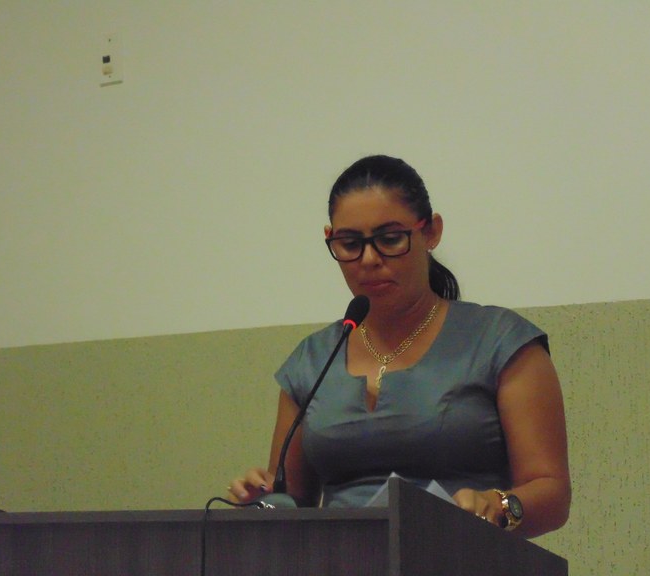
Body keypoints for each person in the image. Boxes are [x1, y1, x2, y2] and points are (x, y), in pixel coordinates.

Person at [229, 155, 571, 537]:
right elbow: (291, 503)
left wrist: (500, 505)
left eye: (390, 239)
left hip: (462, 553)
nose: (369, 259)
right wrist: (261, 502)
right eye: (349, 244)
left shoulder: (500, 342)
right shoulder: (312, 361)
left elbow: (552, 493)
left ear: (431, 232)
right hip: (341, 559)